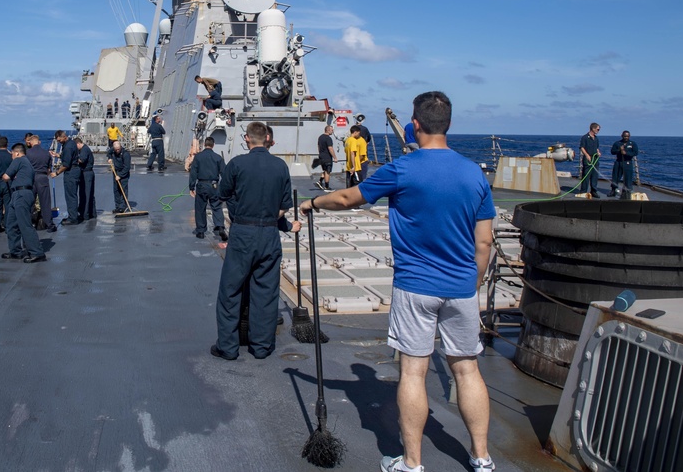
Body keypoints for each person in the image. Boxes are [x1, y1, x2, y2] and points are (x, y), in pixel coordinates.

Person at [300, 91, 495, 472]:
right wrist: (472, 283)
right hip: (461, 288)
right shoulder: (474, 173)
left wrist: (311, 204)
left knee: (413, 372)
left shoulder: (402, 169)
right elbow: (484, 241)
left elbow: (347, 199)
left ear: (415, 124)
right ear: (449, 125)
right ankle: (482, 458)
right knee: (467, 369)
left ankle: (411, 463)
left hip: (416, 286)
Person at [211, 122, 293, 361]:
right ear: (267, 138)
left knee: (231, 290)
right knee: (266, 292)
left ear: (247, 139)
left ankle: (228, 347)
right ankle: (262, 346)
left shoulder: (237, 164)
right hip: (269, 233)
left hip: (243, 233)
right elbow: (284, 206)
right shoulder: (280, 166)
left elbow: (222, 195)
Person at [1, 143, 46, 263]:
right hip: (19, 193)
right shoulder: (28, 164)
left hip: (21, 194)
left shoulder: (19, 160)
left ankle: (37, 252)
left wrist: (7, 177)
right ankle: (15, 251)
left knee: (24, 224)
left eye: (12, 154)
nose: (11, 157)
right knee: (11, 224)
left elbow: (6, 176)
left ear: (16, 153)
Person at [189, 137, 227, 240]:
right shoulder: (218, 157)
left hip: (202, 184)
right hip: (214, 185)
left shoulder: (198, 157)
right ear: (213, 145)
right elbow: (224, 173)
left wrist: (191, 186)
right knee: (216, 206)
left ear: (204, 145)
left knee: (200, 208)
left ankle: (200, 231)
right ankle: (220, 227)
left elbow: (193, 172)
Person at [26, 134, 57, 232]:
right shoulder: (46, 153)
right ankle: (49, 224)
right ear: (39, 142)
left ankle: (29, 223)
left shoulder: (27, 153)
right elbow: (48, 169)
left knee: (30, 202)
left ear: (30, 142)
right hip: (43, 177)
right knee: (45, 202)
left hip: (31, 178)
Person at [52, 131, 81, 225]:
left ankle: (73, 218)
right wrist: (58, 155)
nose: (59, 142)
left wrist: (56, 173)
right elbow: (69, 157)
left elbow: (66, 164)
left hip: (71, 173)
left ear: (64, 137)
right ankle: (73, 215)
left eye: (59, 140)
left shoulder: (68, 147)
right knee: (72, 195)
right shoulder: (71, 143)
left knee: (70, 195)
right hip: (75, 171)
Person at [609, 130, 639, 198]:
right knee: (615, 177)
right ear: (622, 136)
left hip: (627, 162)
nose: (626, 137)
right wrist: (619, 150)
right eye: (625, 136)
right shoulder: (617, 143)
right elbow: (612, 151)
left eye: (627, 136)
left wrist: (626, 153)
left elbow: (635, 152)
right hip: (619, 162)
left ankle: (626, 192)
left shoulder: (632, 144)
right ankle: (613, 190)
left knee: (628, 178)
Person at [578, 122, 602, 198]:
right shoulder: (584, 137)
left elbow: (597, 147)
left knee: (595, 175)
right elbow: (582, 147)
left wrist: (598, 152)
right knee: (586, 175)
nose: (598, 130)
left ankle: (594, 191)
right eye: (598, 129)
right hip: (588, 158)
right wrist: (587, 155)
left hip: (595, 159)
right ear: (593, 129)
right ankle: (583, 191)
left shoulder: (596, 138)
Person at [75, 137, 96, 220]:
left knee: (86, 194)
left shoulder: (84, 150)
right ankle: (91, 212)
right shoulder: (84, 149)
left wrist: (73, 159)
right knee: (88, 193)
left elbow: (81, 160)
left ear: (78, 144)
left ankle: (85, 214)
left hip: (86, 173)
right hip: (86, 173)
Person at [109, 141, 132, 213]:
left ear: (120, 147)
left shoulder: (126, 154)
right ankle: (118, 207)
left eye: (118, 149)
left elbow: (127, 167)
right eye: (115, 149)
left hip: (123, 173)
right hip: (115, 172)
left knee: (123, 190)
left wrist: (120, 175)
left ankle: (122, 207)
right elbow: (108, 153)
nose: (117, 150)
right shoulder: (113, 150)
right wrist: (109, 158)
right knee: (116, 190)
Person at [316, 125, 337, 191]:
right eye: (332, 130)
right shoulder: (328, 138)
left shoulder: (320, 137)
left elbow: (319, 146)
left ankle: (320, 181)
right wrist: (335, 157)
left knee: (325, 170)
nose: (332, 131)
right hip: (327, 157)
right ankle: (327, 187)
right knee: (328, 171)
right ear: (328, 130)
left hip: (321, 156)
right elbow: (330, 148)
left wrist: (320, 153)